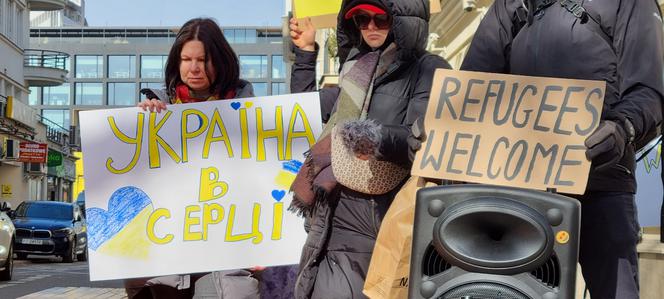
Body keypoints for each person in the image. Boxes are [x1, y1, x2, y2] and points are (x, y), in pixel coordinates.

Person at [461, 1, 664, 298]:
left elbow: (649, 90)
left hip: (602, 183)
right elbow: (471, 89)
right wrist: (435, 126)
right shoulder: (509, 5)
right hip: (521, 192)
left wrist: (623, 127)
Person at [288, 0, 451, 298]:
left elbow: (429, 139)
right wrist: (305, 53)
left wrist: (371, 138)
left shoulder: (429, 69)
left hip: (383, 217)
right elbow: (301, 113)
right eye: (362, 20)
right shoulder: (355, 71)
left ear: (403, 21)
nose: (371, 27)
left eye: (381, 18)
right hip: (331, 211)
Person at [129, 17, 260, 299]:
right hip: (168, 258)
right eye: (186, 59)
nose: (194, 68)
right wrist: (143, 122)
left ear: (220, 61)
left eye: (203, 59)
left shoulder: (251, 111)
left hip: (230, 253)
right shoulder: (156, 110)